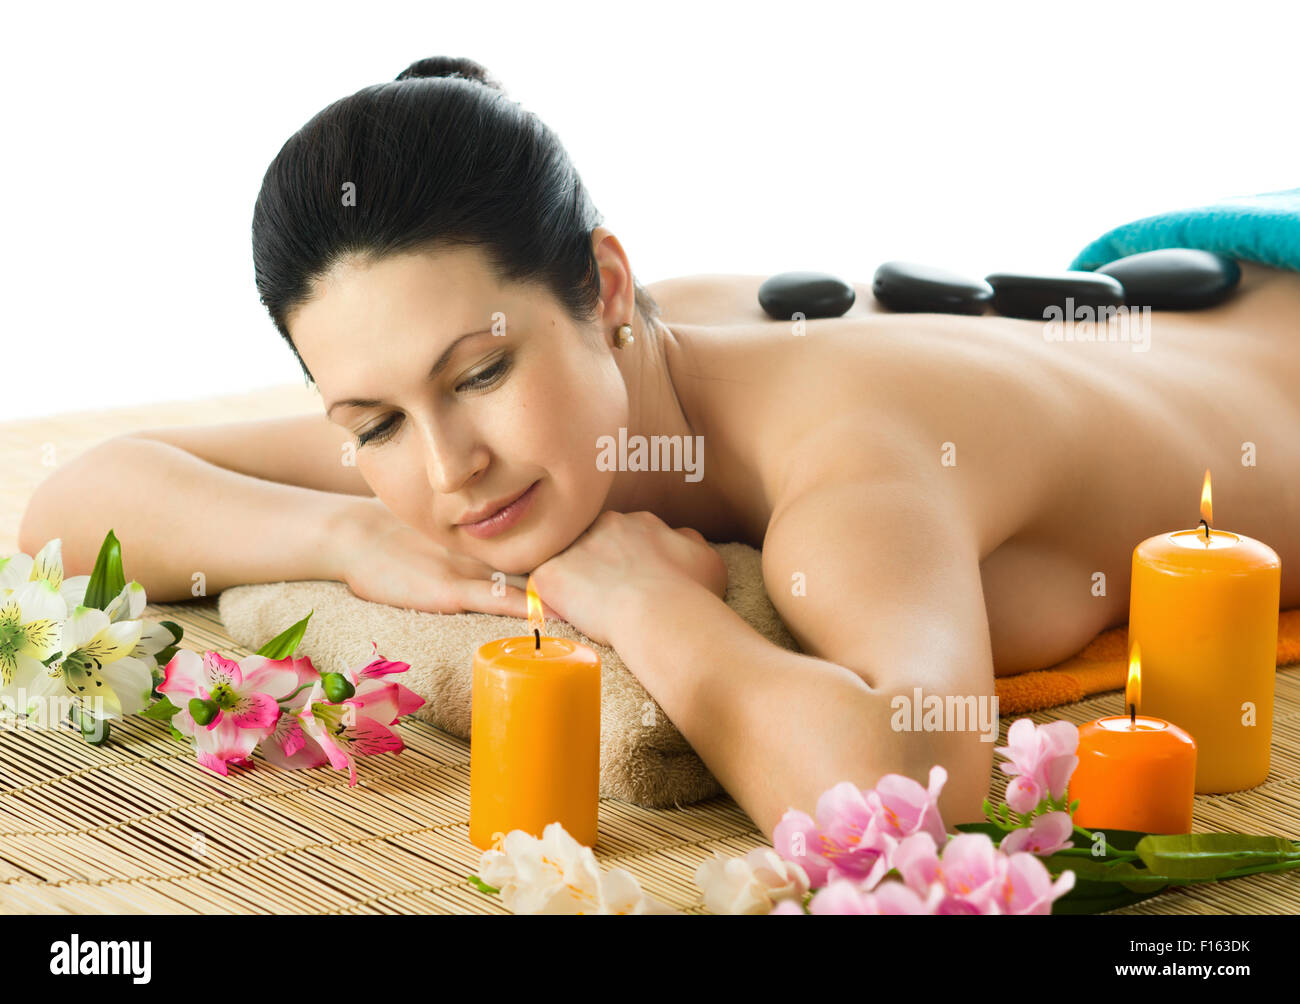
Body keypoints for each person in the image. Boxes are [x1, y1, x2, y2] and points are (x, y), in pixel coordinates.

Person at [21, 57, 1300, 841]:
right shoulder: (533, 412)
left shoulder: (845, 463)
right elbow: (80, 501)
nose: (449, 466)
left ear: (606, 286)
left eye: (480, 373)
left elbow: (912, 777)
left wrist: (643, 604)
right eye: (373, 422)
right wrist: (347, 533)